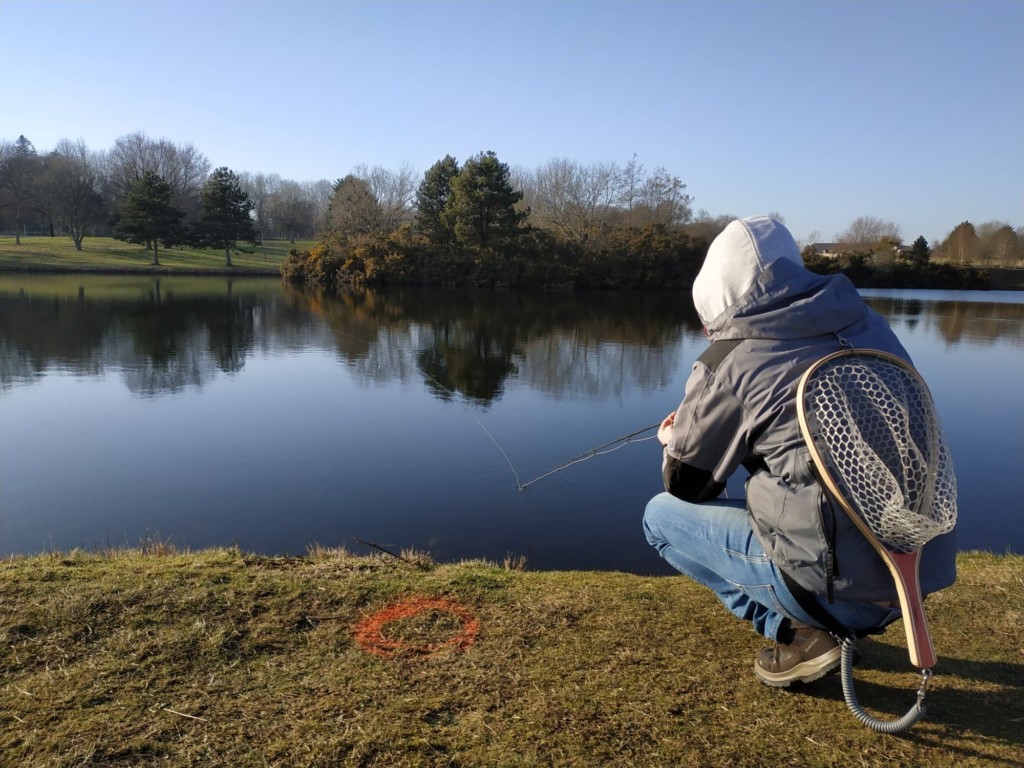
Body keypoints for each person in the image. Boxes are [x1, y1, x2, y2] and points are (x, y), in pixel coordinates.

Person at [643, 216, 956, 687]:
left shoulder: (730, 359)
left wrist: (674, 440)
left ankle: (798, 633)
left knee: (659, 517)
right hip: (916, 578)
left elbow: (687, 484)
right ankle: (828, 620)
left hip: (835, 591)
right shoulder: (871, 326)